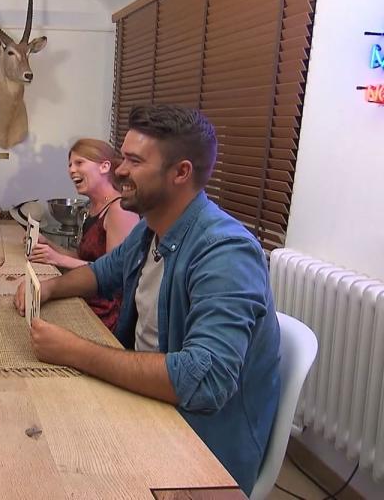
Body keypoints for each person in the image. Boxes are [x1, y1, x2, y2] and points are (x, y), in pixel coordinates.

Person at [14, 105, 280, 494]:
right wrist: (49, 287)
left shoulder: (225, 251)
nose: (119, 169)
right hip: (144, 406)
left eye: (135, 161)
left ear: (181, 173)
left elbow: (204, 382)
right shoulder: (152, 228)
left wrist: (75, 351)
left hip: (197, 450)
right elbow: (102, 273)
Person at [28, 139, 138, 330]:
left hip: (107, 313)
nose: (71, 170)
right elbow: (82, 258)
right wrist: (48, 245)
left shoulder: (119, 210)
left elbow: (114, 275)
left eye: (79, 163)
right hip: (86, 296)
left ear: (104, 167)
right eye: (70, 164)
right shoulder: (92, 207)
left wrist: (59, 260)